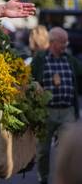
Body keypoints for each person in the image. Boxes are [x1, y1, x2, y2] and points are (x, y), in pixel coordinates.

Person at [31, 27, 82, 184]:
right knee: (43, 150)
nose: (66, 44)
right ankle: (43, 179)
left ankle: (65, 178)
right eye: (63, 41)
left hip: (67, 111)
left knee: (68, 149)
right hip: (47, 111)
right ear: (53, 42)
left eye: (66, 41)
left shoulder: (71, 60)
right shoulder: (40, 59)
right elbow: (30, 79)